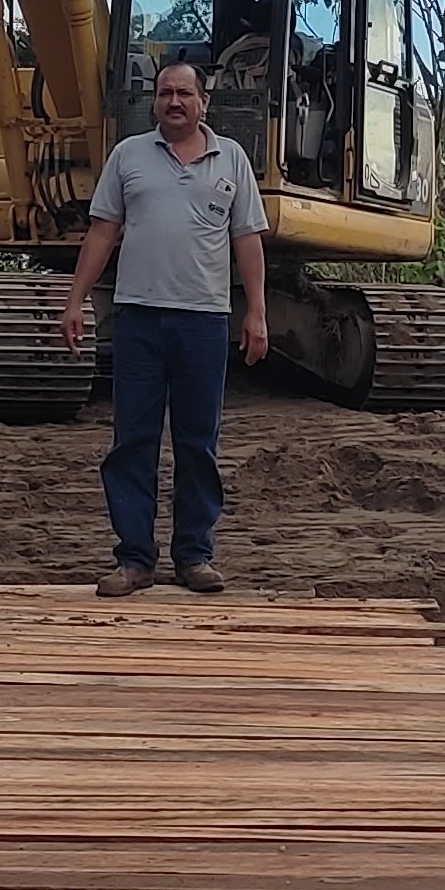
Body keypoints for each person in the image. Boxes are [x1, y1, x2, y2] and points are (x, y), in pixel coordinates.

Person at [60, 56, 270, 597]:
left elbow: (247, 239)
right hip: (138, 318)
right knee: (133, 438)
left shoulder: (233, 159)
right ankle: (134, 559)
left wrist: (256, 311)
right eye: (164, 93)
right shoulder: (128, 156)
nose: (174, 102)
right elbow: (102, 233)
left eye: (184, 93)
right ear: (154, 101)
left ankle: (194, 555)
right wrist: (76, 300)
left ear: (204, 102)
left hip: (203, 320)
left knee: (198, 441)